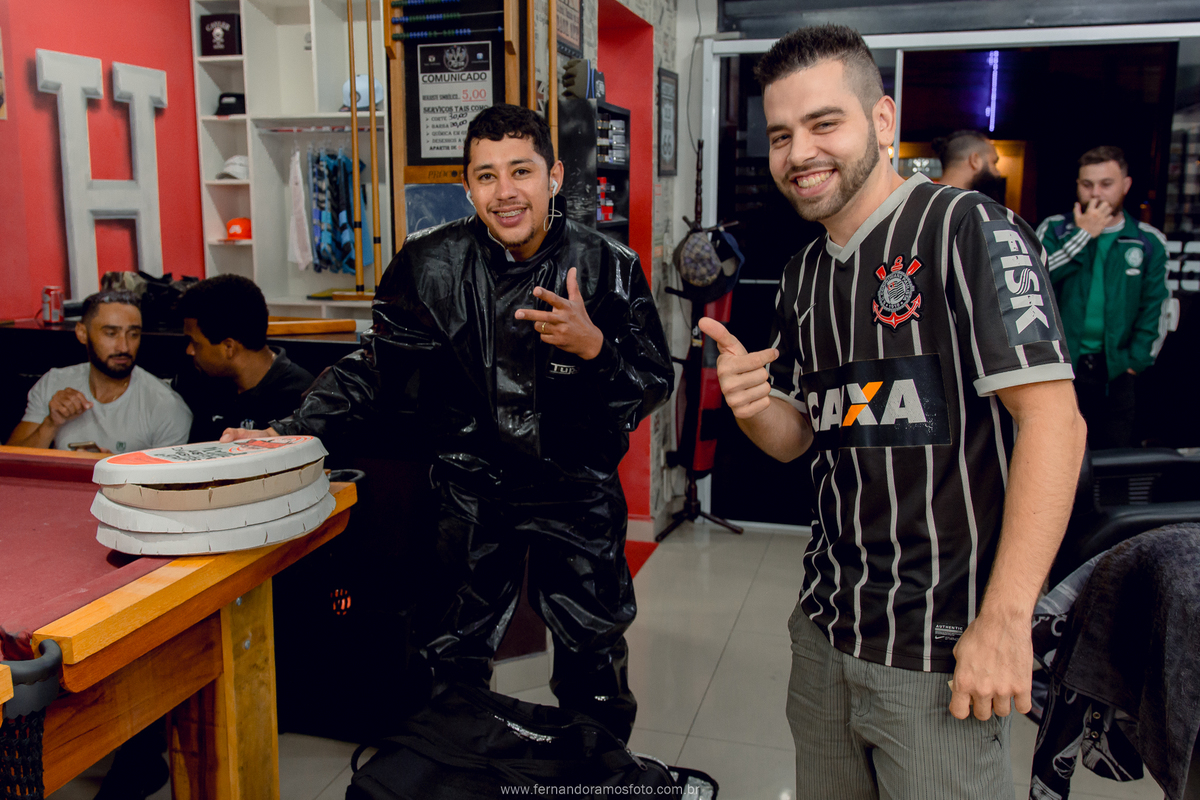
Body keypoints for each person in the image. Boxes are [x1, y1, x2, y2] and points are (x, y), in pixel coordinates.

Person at [699, 25, 1086, 798]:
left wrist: (1007, 623)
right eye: (781, 135)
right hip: (825, 628)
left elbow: (1055, 423)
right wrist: (752, 408)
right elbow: (805, 437)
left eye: (823, 123)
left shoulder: (965, 229)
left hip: (940, 645)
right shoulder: (805, 272)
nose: (799, 152)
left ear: (880, 121)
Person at [219, 103, 673, 742]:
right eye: (486, 176)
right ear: (467, 186)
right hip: (472, 486)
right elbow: (377, 368)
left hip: (576, 490)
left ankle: (592, 779)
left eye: (521, 170)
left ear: (555, 176)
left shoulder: (608, 265)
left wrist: (596, 350)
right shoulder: (430, 263)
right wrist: (291, 429)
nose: (505, 191)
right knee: (448, 655)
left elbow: (654, 382)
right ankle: (449, 773)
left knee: (592, 656)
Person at [1036, 146, 1171, 449]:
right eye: (1087, 184)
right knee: (1058, 457)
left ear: (1125, 185)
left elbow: (1156, 309)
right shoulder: (1054, 230)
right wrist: (1082, 235)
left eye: (1106, 184)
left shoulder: (1148, 241)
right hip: (1059, 369)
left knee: (1112, 460)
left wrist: (1133, 363)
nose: (1095, 192)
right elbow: (1034, 283)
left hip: (1117, 372)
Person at [7, 290, 191, 453]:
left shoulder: (167, 406)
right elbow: (10, 463)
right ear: (82, 333)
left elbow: (169, 486)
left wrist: (113, 470)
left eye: (133, 334)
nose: (124, 346)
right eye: (111, 333)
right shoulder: (54, 382)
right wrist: (50, 423)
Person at [174, 274, 315, 443]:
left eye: (195, 343)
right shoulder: (205, 385)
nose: (189, 351)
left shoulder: (300, 398)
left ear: (229, 347)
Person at [930, 129, 1006, 203]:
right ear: (974, 160)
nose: (998, 173)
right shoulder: (975, 209)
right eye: (994, 163)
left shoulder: (923, 199)